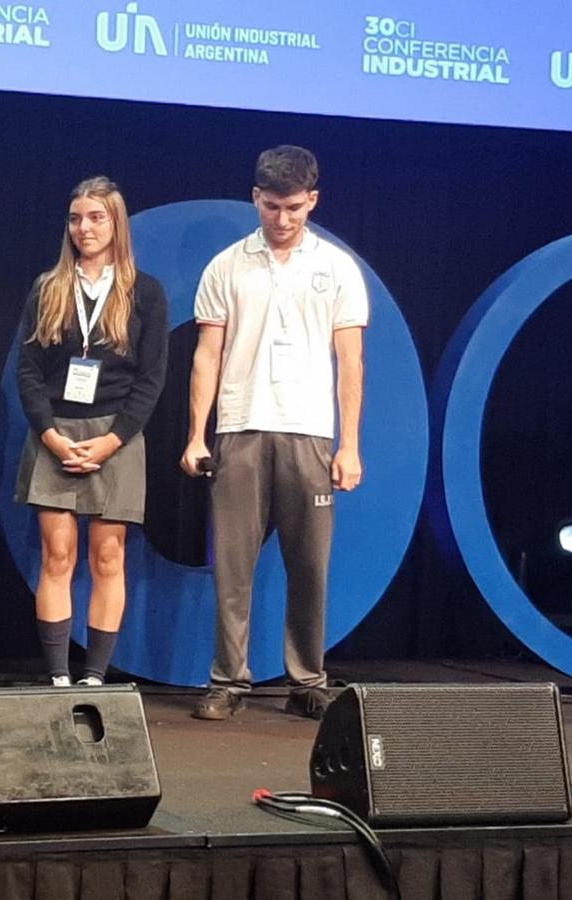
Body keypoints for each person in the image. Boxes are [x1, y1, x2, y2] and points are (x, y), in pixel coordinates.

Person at [181, 145, 367, 721]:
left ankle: (307, 679)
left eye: (292, 207)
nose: (281, 219)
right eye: (270, 206)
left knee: (310, 564)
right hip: (240, 428)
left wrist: (350, 444)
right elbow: (206, 356)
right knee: (234, 565)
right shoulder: (226, 265)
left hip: (309, 432)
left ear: (311, 200)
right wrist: (196, 435)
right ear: (255, 198)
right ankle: (228, 681)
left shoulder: (336, 267)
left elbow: (350, 361)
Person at [16, 176, 168, 686]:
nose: (85, 227)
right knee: (58, 554)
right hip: (56, 433)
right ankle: (59, 674)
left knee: (108, 554)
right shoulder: (49, 287)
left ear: (116, 223)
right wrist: (51, 436)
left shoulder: (144, 291)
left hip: (116, 437)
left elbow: (151, 379)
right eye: (77, 218)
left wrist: (112, 440)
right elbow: (28, 372)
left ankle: (95, 675)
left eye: (97, 217)